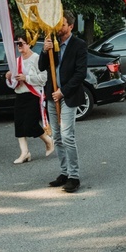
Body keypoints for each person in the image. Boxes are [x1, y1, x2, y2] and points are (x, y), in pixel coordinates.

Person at [39, 10, 87, 193]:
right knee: (57, 137)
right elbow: (42, 67)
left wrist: (63, 92)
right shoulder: (53, 43)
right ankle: (64, 172)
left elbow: (80, 73)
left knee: (67, 136)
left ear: (71, 26)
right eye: (57, 24)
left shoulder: (79, 45)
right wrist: (45, 51)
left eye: (62, 24)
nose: (58, 28)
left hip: (69, 96)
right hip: (52, 95)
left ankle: (74, 176)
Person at [5, 32, 54, 164]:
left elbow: (43, 79)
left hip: (33, 95)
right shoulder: (16, 61)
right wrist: (9, 77)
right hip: (20, 95)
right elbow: (13, 84)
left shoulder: (36, 58)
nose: (18, 46)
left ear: (29, 43)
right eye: (17, 44)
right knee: (19, 124)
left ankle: (49, 141)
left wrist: (26, 78)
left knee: (30, 124)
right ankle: (24, 153)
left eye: (21, 43)